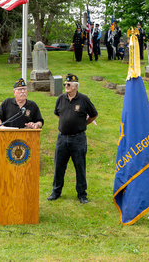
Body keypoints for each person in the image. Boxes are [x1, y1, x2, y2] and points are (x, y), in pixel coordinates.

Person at [48, 74, 98, 204]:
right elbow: (58, 114)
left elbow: (94, 115)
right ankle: (56, 192)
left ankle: (82, 194)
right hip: (62, 139)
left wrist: (82, 124)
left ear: (75, 86)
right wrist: (67, 124)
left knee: (80, 167)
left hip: (78, 139)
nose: (66, 86)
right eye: (65, 84)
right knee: (59, 166)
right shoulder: (60, 99)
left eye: (68, 85)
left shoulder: (84, 100)